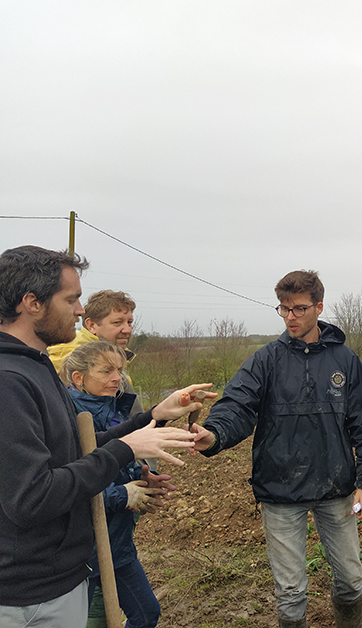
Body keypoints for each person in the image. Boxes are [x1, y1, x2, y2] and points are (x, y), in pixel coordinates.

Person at [0, 245, 208, 627]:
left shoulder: (37, 366)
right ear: (31, 302)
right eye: (72, 299)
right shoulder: (9, 381)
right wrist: (125, 451)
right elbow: (31, 497)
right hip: (27, 597)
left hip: (60, 579)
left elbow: (82, 444)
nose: (80, 311)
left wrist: (154, 416)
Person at [191, 270, 362, 628]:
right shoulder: (266, 360)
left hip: (336, 489)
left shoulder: (344, 361)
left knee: (351, 581)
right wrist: (214, 434)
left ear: (319, 307)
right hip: (280, 491)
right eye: (283, 309)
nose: (290, 317)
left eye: (298, 309)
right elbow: (237, 405)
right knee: (291, 591)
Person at [61, 341, 171, 628]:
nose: (117, 378)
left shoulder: (115, 409)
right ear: (78, 378)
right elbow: (71, 482)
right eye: (106, 370)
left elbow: (115, 461)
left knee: (146, 613)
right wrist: (122, 494)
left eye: (119, 370)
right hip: (81, 550)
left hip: (117, 544)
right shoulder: (69, 418)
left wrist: (141, 474)